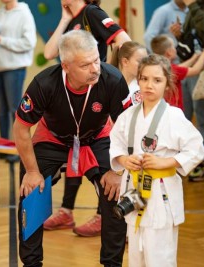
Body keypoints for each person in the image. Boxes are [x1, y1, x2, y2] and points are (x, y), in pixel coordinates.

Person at [14, 30, 129, 266]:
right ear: (66, 66)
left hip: (97, 137)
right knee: (31, 191)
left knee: (115, 194)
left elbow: (127, 129)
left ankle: (112, 263)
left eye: (97, 60)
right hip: (53, 138)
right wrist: (33, 172)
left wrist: (118, 172)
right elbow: (21, 129)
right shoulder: (44, 83)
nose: (95, 69)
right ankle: (32, 263)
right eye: (86, 65)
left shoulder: (113, 79)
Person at [42, 0, 131, 237]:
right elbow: (49, 53)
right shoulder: (71, 18)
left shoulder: (91, 13)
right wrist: (63, 19)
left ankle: (103, 215)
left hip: (96, 98)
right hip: (73, 97)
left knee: (97, 157)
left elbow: (124, 41)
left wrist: (107, 71)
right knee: (75, 151)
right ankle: (66, 210)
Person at [109, 54, 204, 267]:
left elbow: (196, 149)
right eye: (144, 79)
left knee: (160, 255)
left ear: (167, 83)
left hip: (162, 193)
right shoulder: (127, 116)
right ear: (138, 80)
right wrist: (124, 159)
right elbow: (115, 145)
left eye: (157, 80)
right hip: (134, 190)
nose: (149, 85)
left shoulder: (174, 116)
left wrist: (167, 162)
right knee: (136, 253)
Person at [171, 0, 204, 182]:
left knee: (203, 118)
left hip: (203, 69)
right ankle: (179, 161)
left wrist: (192, 5)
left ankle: (201, 164)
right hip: (186, 66)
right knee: (181, 116)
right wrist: (179, 35)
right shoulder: (194, 7)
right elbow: (191, 38)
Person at [0, 0, 36, 163]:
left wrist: (2, 40)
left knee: (15, 110)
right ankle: (3, 147)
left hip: (14, 68)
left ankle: (18, 149)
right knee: (1, 109)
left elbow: (29, 43)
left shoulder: (24, 13)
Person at [43, 0, 130, 62]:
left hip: (96, 82)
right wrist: (64, 20)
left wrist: (108, 68)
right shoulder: (69, 21)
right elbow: (49, 54)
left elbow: (124, 39)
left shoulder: (91, 11)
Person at [151, 34, 204, 110]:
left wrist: (194, 57)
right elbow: (195, 70)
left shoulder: (161, 66)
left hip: (164, 108)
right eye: (173, 47)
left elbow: (179, 68)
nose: (176, 49)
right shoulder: (171, 69)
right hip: (173, 110)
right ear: (169, 52)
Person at [110, 41, 148, 106]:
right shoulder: (110, 85)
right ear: (125, 62)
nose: (145, 65)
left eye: (146, 61)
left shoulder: (143, 86)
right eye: (140, 61)